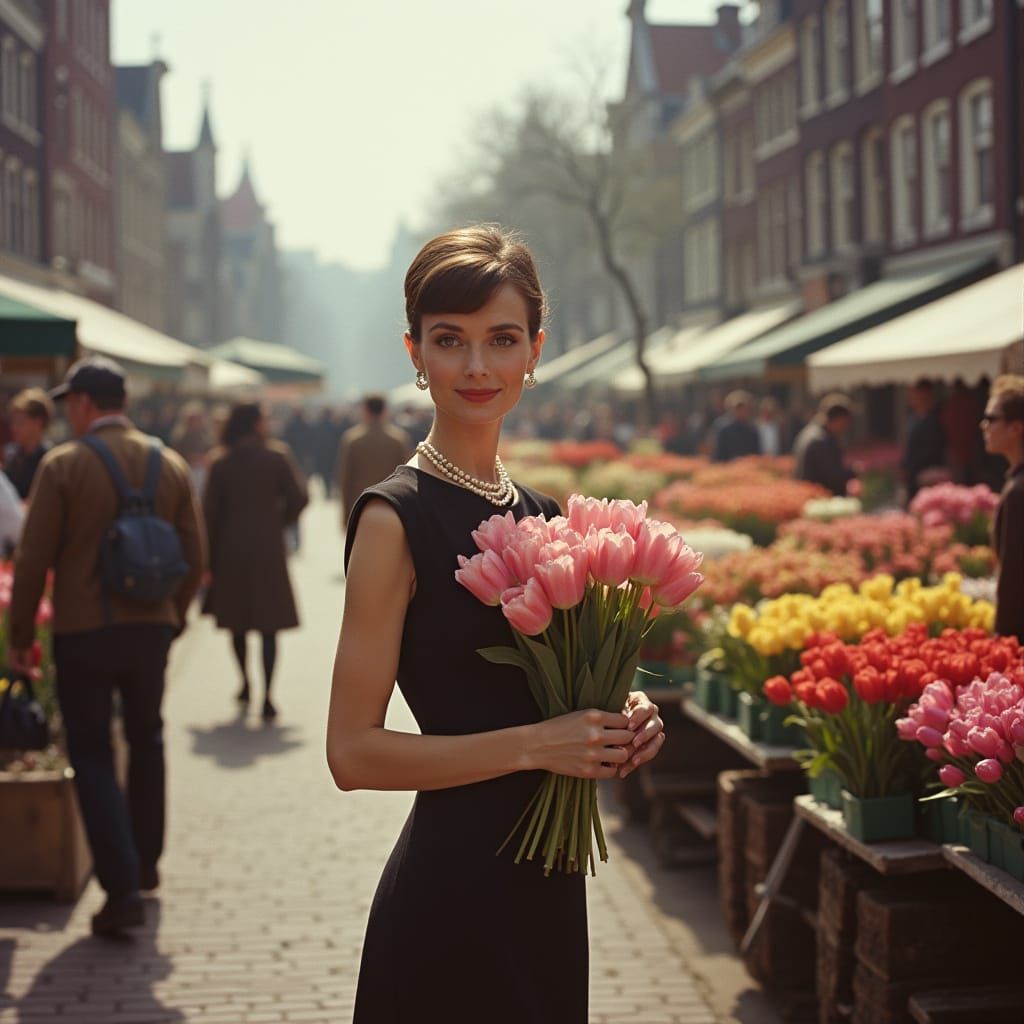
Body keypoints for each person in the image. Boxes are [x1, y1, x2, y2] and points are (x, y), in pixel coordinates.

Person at [326, 226, 666, 1024]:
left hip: (550, 893)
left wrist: (619, 715)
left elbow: (552, 699)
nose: (477, 366)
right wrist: (535, 746)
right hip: (449, 896)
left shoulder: (543, 513)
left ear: (535, 352)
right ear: (415, 352)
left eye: (502, 340)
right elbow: (350, 753)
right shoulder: (394, 520)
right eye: (450, 340)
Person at [8, 355, 205, 938]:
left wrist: (21, 636)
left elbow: (32, 559)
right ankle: (145, 865)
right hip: (151, 629)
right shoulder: (168, 463)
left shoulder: (65, 465)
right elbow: (196, 555)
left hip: (83, 630)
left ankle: (120, 892)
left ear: (84, 404)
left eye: (69, 404)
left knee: (92, 752)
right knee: (147, 739)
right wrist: (173, 617)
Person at [202, 402, 308, 720]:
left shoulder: (221, 462)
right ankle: (268, 696)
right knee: (268, 625)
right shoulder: (277, 457)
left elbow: (208, 515)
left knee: (237, 623)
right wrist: (279, 521)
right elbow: (300, 498)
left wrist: (207, 560)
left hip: (230, 549)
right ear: (256, 424)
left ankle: (246, 683)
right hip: (268, 549)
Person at [981, 375, 1024, 642]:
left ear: (1016, 428)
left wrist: (1003, 640)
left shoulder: (1018, 492)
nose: (983, 425)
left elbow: (1014, 577)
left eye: (991, 418)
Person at [335, 394, 412, 525]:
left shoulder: (352, 440)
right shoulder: (399, 439)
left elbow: (345, 479)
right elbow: (408, 477)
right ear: (385, 411)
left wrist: (346, 514)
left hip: (360, 505)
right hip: (393, 505)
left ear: (365, 411)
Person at [793, 393, 858, 496]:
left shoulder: (810, 432)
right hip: (818, 497)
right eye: (845, 422)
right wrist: (853, 472)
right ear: (839, 419)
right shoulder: (820, 440)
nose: (845, 428)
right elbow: (833, 478)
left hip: (809, 495)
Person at [3, 388, 55, 499]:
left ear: (38, 422)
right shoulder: (12, 456)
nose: (14, 427)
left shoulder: (50, 460)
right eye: (13, 421)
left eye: (20, 421)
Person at [902, 378, 947, 501]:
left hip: (927, 477)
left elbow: (933, 449)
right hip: (913, 477)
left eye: (914, 393)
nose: (910, 397)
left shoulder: (935, 419)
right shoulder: (913, 418)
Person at [711, 390, 762, 462]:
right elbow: (718, 456)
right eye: (738, 409)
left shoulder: (753, 431)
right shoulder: (724, 430)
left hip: (748, 466)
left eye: (744, 408)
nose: (741, 411)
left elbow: (756, 455)